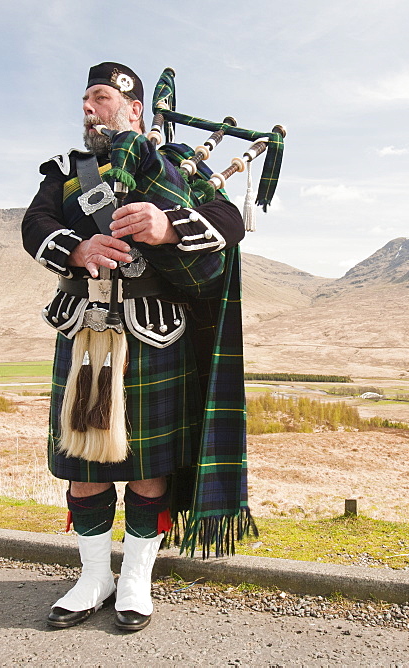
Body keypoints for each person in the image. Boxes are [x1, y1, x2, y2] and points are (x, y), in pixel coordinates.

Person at [21, 62, 251, 632]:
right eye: (85, 100)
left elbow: (229, 221)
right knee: (83, 463)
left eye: (100, 98)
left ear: (134, 110)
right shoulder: (68, 173)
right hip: (85, 331)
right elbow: (34, 224)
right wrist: (75, 250)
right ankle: (93, 577)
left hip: (155, 333)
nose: (88, 109)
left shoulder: (175, 168)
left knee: (149, 466)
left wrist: (168, 224)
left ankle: (135, 580)